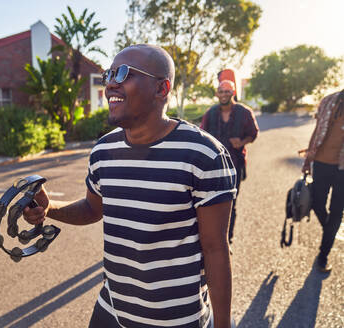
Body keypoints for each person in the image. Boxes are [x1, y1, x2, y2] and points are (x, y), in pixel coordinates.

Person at [24, 44, 237, 328]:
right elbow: (91, 209)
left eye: (124, 73)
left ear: (162, 89)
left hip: (175, 319)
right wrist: (49, 209)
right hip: (111, 309)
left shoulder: (203, 154)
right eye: (109, 74)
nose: (111, 83)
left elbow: (215, 250)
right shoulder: (104, 150)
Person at [200, 80, 259, 244]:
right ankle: (209, 239)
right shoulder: (210, 113)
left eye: (227, 91)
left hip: (235, 165)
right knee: (209, 203)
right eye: (221, 91)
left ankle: (227, 240)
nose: (224, 94)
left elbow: (253, 133)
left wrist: (241, 142)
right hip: (212, 167)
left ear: (233, 93)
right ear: (217, 94)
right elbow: (202, 136)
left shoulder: (244, 112)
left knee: (230, 204)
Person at [302, 89, 344, 273]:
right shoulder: (329, 101)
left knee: (337, 211)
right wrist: (307, 159)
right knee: (317, 202)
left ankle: (323, 255)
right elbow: (317, 130)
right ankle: (331, 232)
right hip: (321, 162)